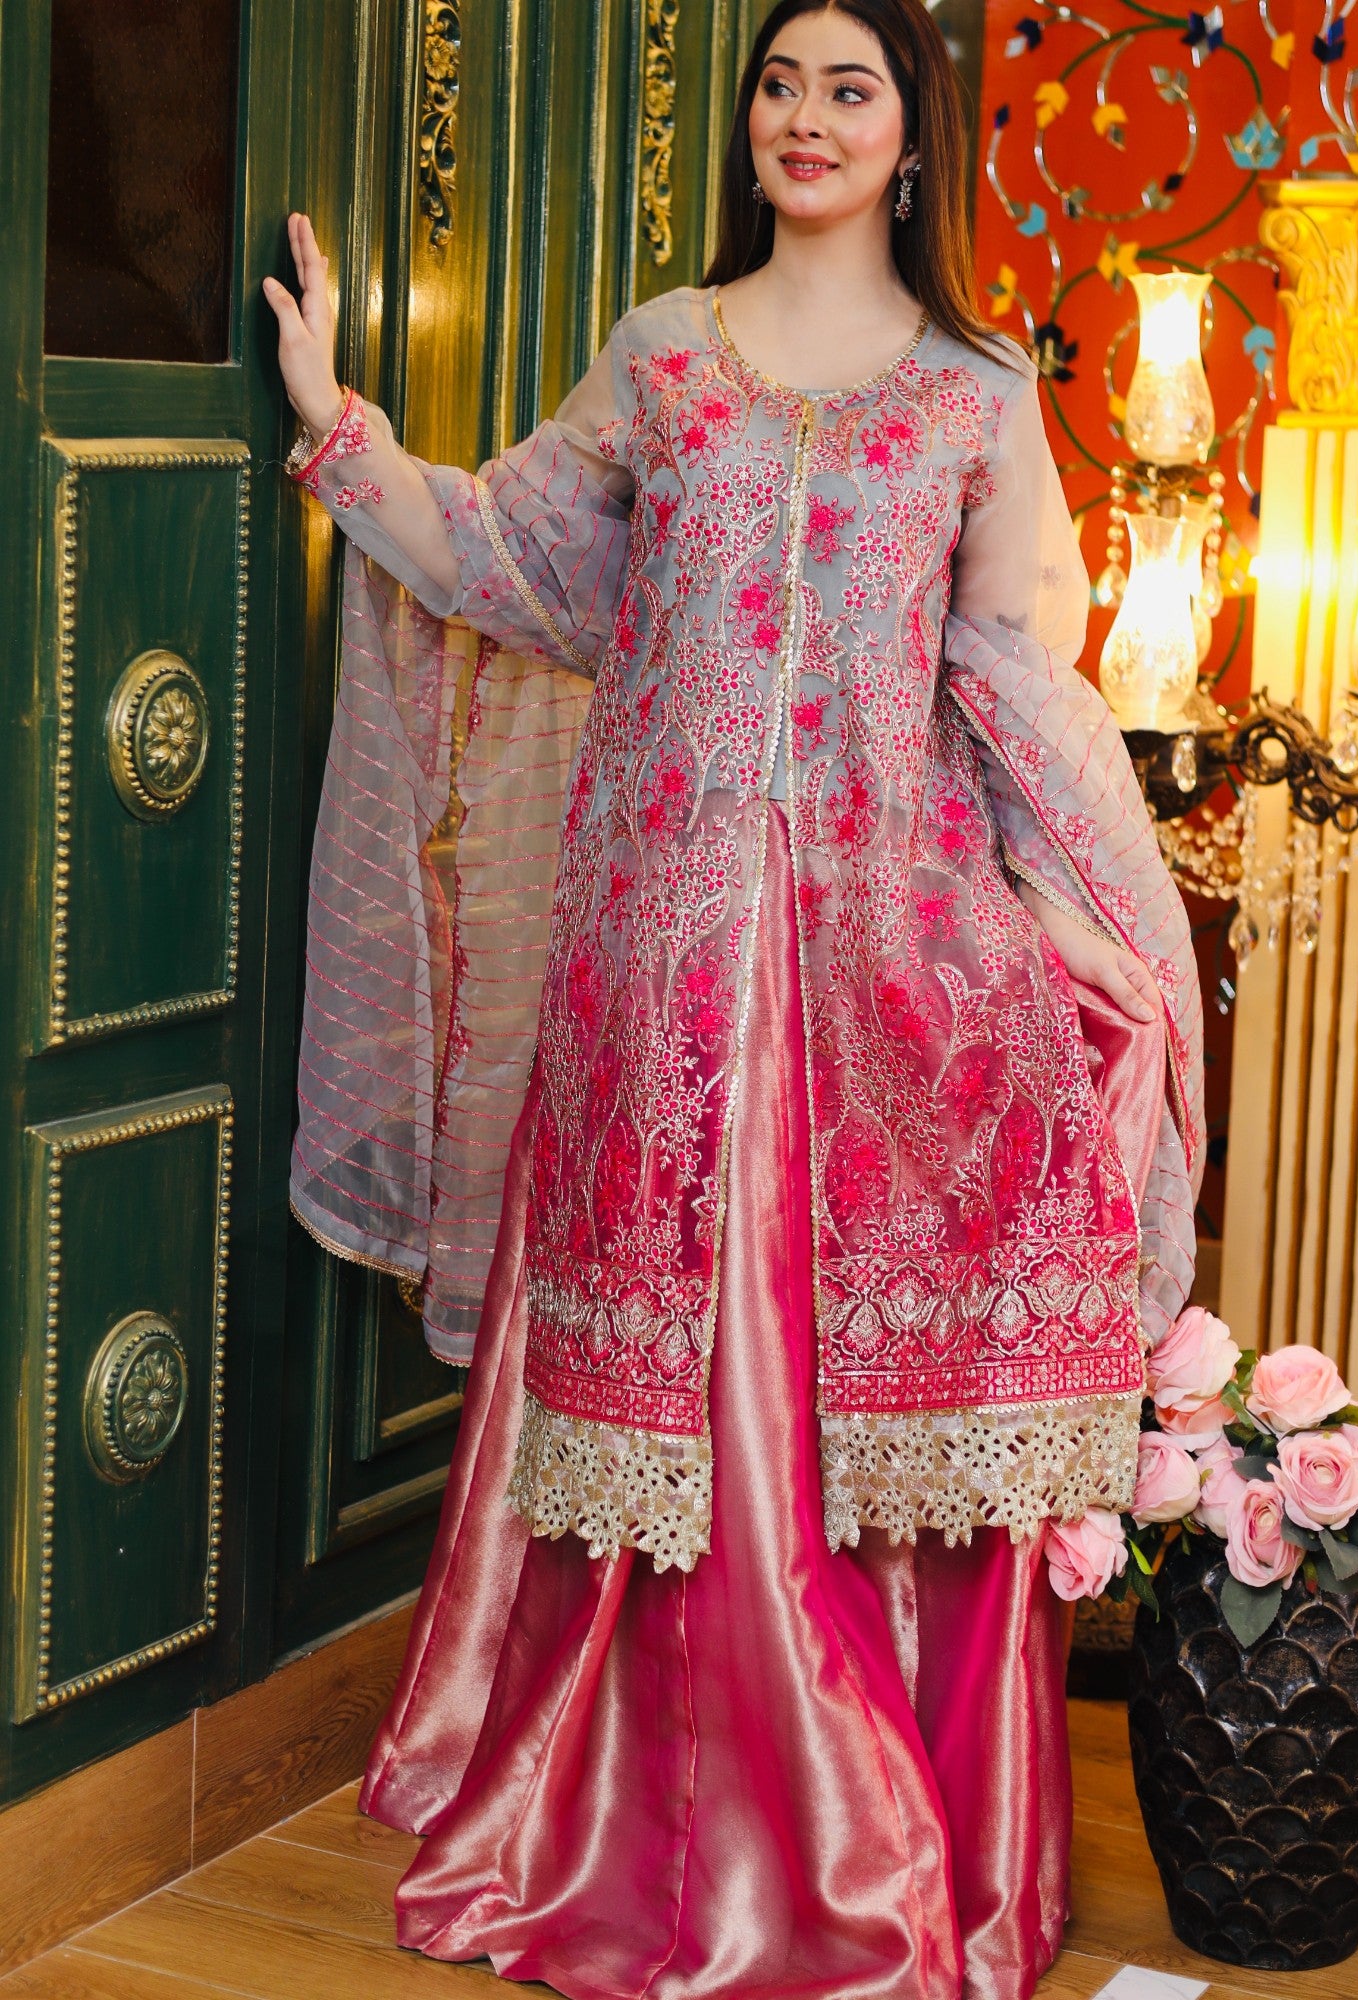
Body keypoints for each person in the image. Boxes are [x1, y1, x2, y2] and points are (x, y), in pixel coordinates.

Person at [263, 1, 1203, 1992]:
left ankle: (857, 1841)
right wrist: (339, 422)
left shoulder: (975, 393)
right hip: (654, 962)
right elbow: (509, 564)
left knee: (850, 1392)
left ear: (912, 136)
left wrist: (1092, 928)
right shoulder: (664, 353)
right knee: (665, 1402)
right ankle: (620, 1822)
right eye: (779, 84)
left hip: (893, 967)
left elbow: (1014, 687)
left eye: (847, 90)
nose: (801, 118)